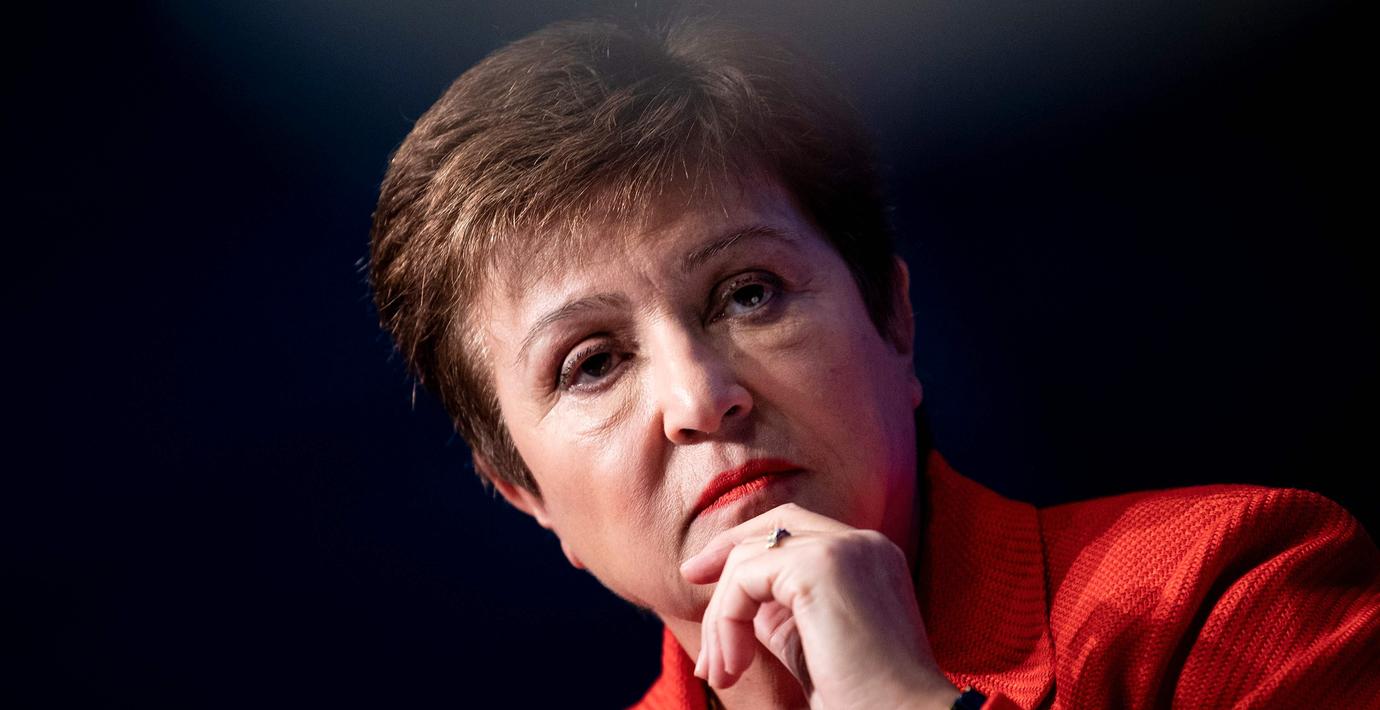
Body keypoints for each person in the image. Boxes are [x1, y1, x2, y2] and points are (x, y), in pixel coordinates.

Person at [368, 18, 1380, 709]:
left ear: (894, 317)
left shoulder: (1224, 599)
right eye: (591, 363)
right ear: (525, 493)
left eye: (747, 293)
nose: (700, 397)